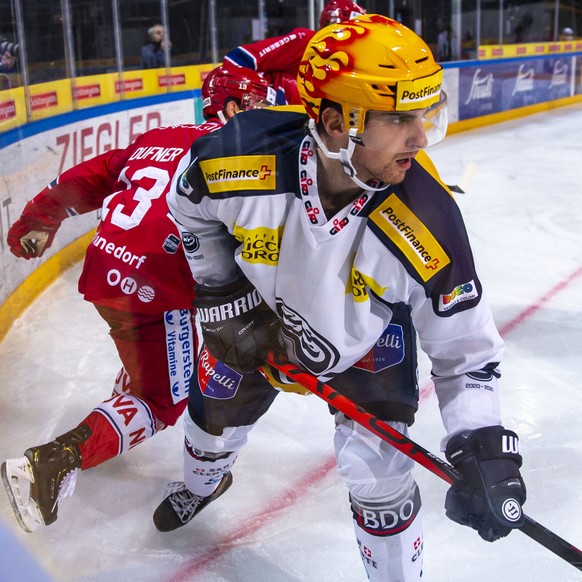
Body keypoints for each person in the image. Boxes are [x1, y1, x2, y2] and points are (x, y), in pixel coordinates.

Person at [157, 15, 527, 581]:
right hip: (254, 316)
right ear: (335, 123)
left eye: (426, 114)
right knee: (209, 428)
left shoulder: (429, 222)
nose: (421, 137)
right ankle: (202, 483)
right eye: (401, 118)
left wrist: (482, 444)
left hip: (365, 344)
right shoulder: (235, 156)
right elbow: (189, 207)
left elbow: (468, 355)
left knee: (378, 478)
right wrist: (221, 289)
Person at [1, 63, 276, 534]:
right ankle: (52, 461)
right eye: (257, 108)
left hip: (106, 269)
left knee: (152, 357)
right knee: (162, 400)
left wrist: (37, 219)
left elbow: (90, 178)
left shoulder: (162, 135)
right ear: (232, 108)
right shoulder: (240, 153)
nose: (265, 119)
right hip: (156, 289)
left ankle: (122, 403)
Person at [224, 0, 367, 104]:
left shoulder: (346, 69)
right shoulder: (306, 41)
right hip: (274, 124)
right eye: (351, 34)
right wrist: (256, 102)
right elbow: (237, 59)